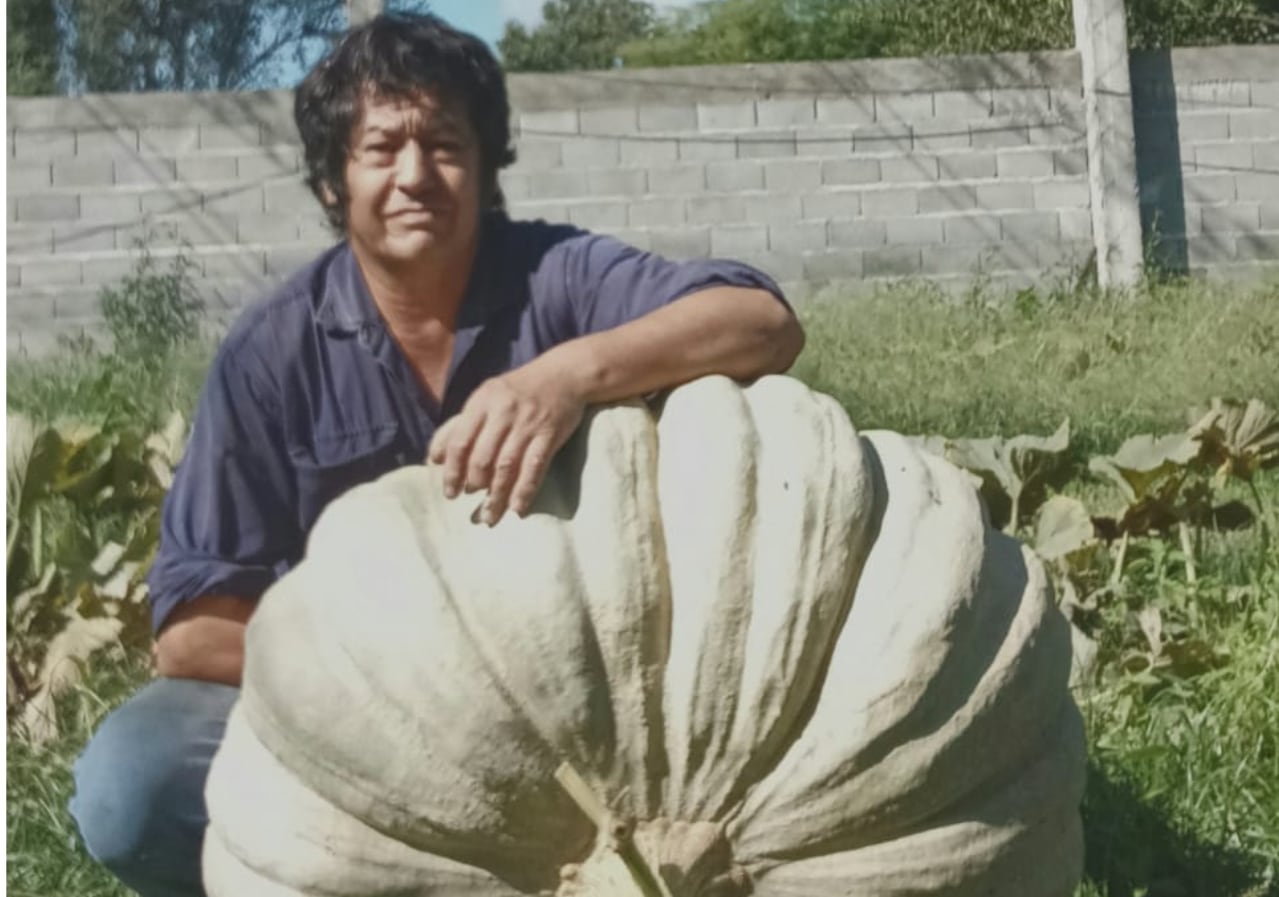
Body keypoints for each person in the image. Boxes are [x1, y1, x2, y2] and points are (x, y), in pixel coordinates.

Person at [67, 11, 804, 897]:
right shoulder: (270, 354)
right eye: (381, 148)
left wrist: (567, 376)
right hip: (357, 715)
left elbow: (760, 320)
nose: (415, 174)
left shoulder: (557, 277)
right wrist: (411, 683)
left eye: (445, 144)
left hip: (591, 719)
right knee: (129, 788)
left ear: (485, 165)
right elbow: (194, 632)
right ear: (335, 180)